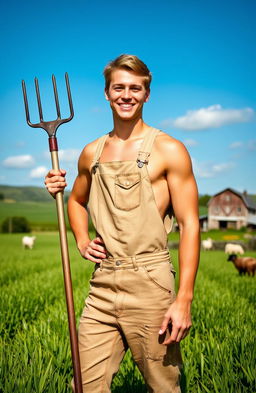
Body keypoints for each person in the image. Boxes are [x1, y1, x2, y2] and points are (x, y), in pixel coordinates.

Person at [45, 54, 200, 393]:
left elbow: (190, 224)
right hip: (103, 284)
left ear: (147, 94)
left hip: (150, 283)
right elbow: (75, 200)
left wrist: (184, 299)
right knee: (84, 386)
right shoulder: (91, 153)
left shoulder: (170, 150)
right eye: (119, 87)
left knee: (163, 387)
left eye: (135, 88)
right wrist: (83, 240)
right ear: (106, 93)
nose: (126, 95)